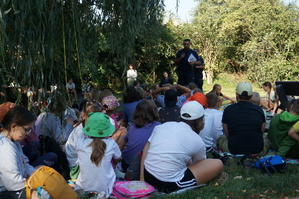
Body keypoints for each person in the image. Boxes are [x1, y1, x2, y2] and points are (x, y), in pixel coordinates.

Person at [140, 101, 223, 193]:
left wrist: (142, 178)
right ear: (200, 121)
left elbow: (147, 146)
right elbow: (199, 164)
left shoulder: (164, 126)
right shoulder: (196, 140)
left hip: (147, 174)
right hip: (166, 183)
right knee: (218, 163)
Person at [66, 112, 121, 197]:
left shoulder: (80, 142)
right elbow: (118, 158)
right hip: (106, 189)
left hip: (83, 188)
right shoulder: (111, 143)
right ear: (107, 130)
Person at [0, 106, 38, 199]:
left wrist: (38, 175)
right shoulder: (5, 148)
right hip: (5, 192)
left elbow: (25, 164)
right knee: (38, 196)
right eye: (26, 129)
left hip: (16, 186)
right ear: (14, 127)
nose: (28, 133)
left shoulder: (15, 142)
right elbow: (12, 183)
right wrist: (34, 185)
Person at [221, 82, 266, 155]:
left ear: (236, 95)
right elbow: (262, 131)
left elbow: (227, 132)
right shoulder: (259, 109)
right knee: (266, 138)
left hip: (234, 149)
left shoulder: (228, 110)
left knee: (220, 139)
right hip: (257, 149)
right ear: (251, 96)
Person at [119, 100, 160, 172]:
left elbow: (121, 145)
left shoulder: (132, 128)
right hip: (144, 166)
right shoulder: (158, 127)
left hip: (126, 163)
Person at [65, 102, 102, 180]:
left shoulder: (87, 128)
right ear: (83, 116)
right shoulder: (80, 133)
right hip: (76, 168)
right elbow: (84, 154)